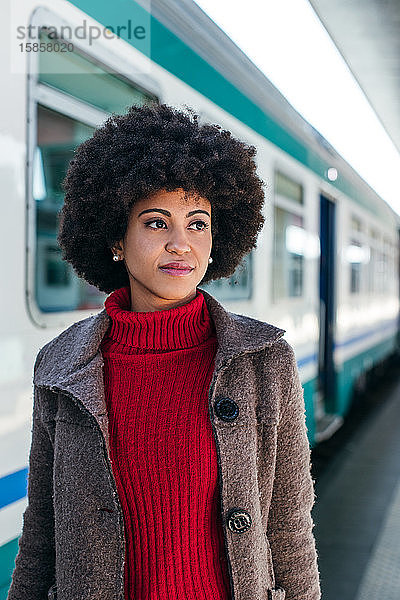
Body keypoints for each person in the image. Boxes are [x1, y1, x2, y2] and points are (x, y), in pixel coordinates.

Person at [7, 102, 321, 600]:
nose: (181, 244)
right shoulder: (62, 365)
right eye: (156, 222)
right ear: (117, 238)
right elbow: (42, 530)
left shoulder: (263, 360)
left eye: (198, 223)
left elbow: (288, 525)